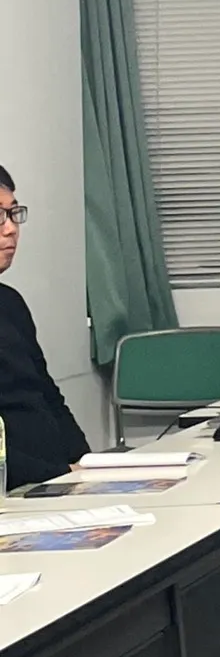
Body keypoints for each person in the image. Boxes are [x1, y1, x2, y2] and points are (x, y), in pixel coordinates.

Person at [0, 164, 91, 488]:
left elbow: (47, 394)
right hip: (17, 486)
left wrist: (87, 462)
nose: (11, 229)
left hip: (54, 479)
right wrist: (57, 474)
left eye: (13, 214)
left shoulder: (10, 302)